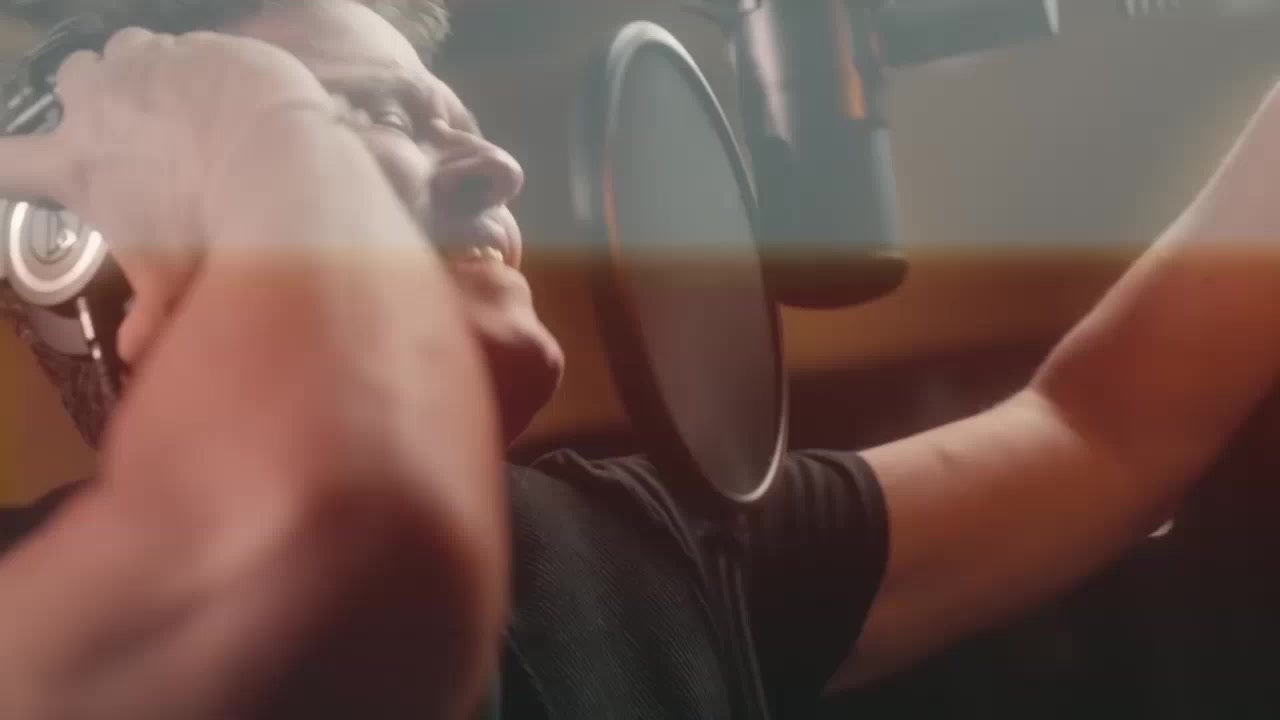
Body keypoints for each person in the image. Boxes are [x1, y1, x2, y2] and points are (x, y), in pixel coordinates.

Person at [0, 0, 1278, 718]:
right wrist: (253, 124)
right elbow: (339, 550)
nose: (497, 169)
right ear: (106, 267)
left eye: (454, 120)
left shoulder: (627, 551)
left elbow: (1100, 431)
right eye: (360, 125)